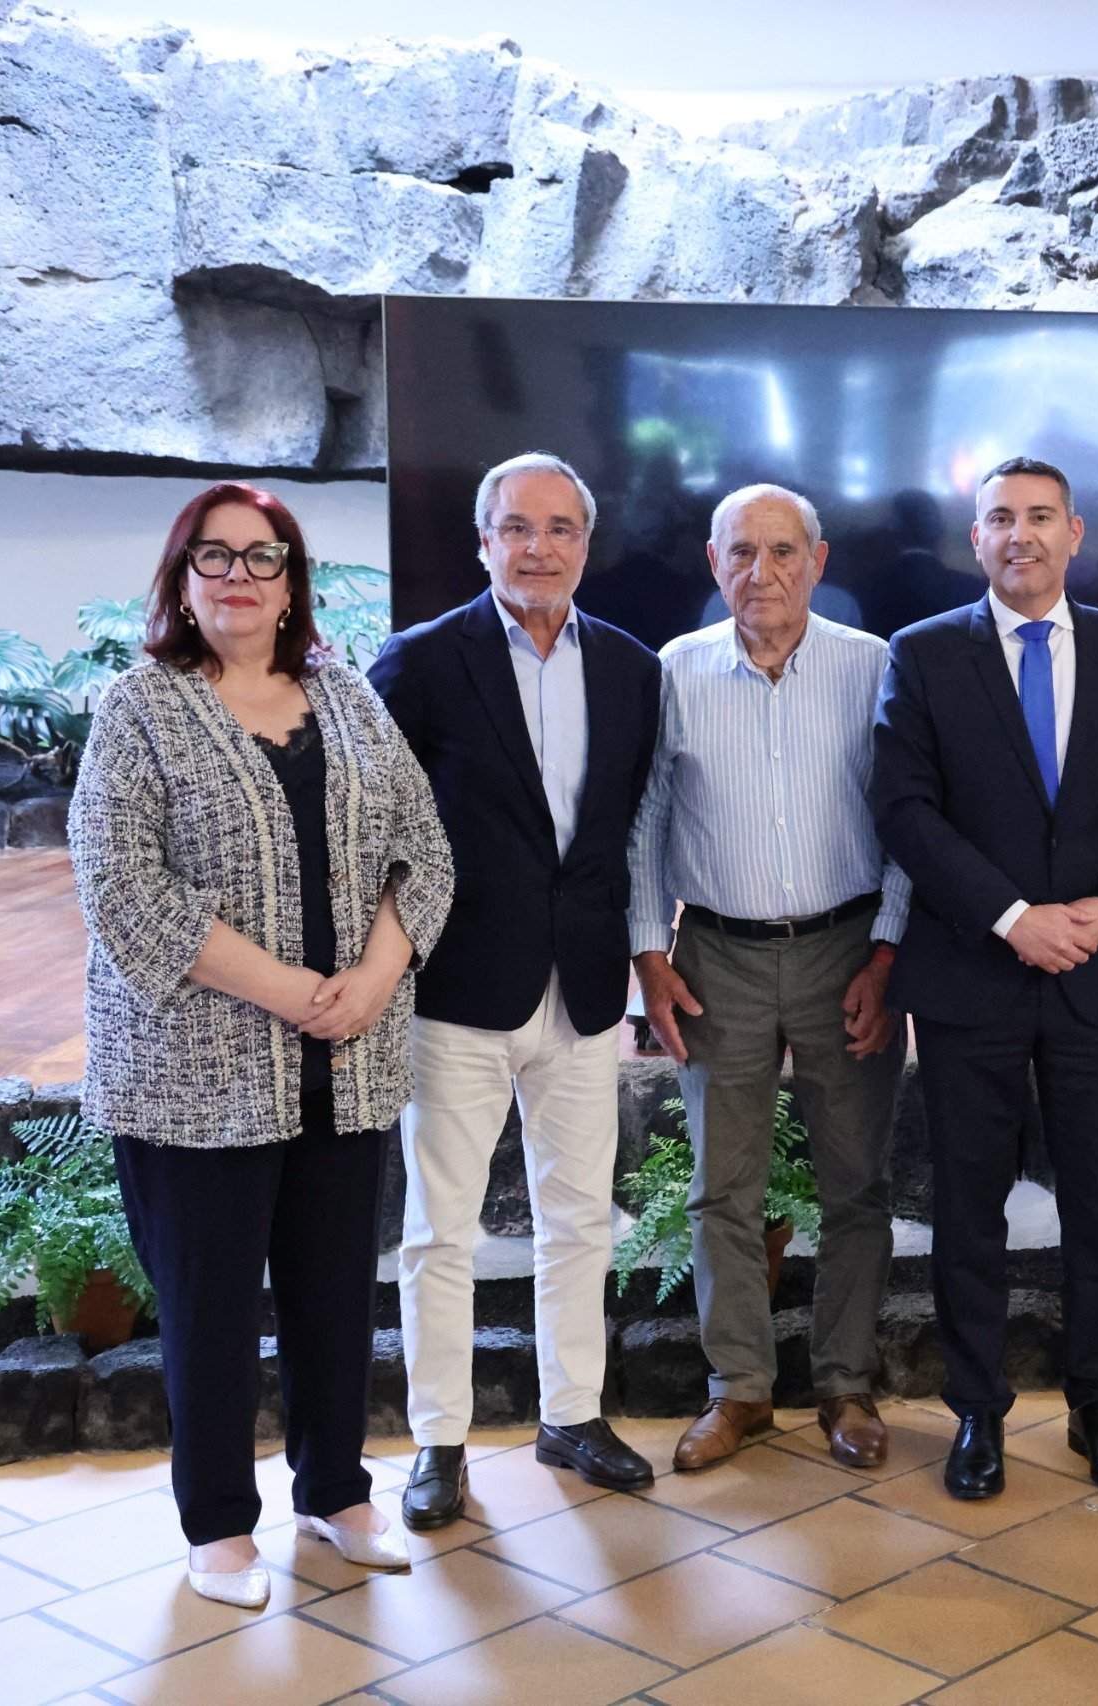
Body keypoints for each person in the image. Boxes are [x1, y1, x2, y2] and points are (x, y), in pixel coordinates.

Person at [70, 482, 454, 1607]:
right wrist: (292, 989)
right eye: (216, 556)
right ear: (181, 578)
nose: (240, 576)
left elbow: (424, 849)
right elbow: (121, 887)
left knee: (338, 1292)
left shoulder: (344, 696)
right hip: (194, 1075)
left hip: (349, 1063)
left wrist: (378, 974)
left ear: (294, 581)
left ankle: (336, 1495)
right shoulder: (136, 706)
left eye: (264, 556)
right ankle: (218, 1527)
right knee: (211, 1305)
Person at [871, 456, 1098, 1500]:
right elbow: (905, 808)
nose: (1020, 533)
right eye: (999, 518)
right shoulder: (921, 655)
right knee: (967, 1205)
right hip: (972, 967)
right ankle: (978, 1412)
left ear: (1073, 534)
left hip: (1096, 971)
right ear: (973, 539)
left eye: (1040, 517)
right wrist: (1013, 917)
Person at [369, 452, 663, 1527]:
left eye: (560, 527)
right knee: (439, 1227)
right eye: (517, 527)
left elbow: (622, 831)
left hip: (583, 987)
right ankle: (438, 1439)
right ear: (484, 540)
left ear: (586, 543)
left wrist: (636, 959)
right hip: (456, 985)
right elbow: (372, 832)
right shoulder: (417, 662)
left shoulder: (633, 668)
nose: (538, 547)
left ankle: (571, 1413)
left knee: (581, 1214)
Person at [627, 484, 910, 1473]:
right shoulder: (675, 672)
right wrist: (647, 956)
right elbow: (647, 820)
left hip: (848, 952)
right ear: (715, 563)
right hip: (717, 955)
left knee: (855, 1185)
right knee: (721, 1188)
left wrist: (888, 951)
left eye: (783, 551)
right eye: (742, 551)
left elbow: (907, 818)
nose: (763, 572)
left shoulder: (875, 667)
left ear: (818, 561)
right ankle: (738, 1387)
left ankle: (845, 1381)